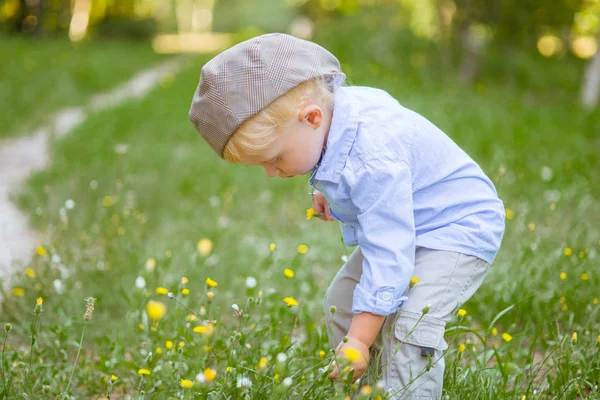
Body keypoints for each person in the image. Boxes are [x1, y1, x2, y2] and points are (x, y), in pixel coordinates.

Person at [189, 33, 505, 399]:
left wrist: (358, 338)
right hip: (411, 223)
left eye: (274, 158)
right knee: (343, 300)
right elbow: (338, 154)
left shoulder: (373, 158)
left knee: (411, 325)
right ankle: (369, 389)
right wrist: (328, 187)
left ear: (311, 117)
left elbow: (389, 254)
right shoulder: (336, 114)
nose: (272, 173)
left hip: (457, 228)